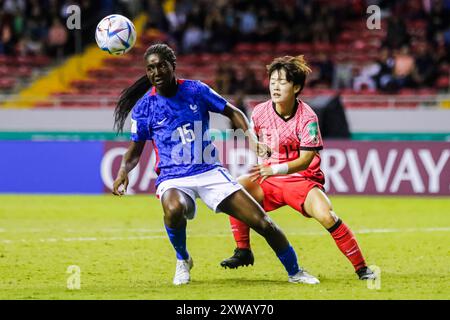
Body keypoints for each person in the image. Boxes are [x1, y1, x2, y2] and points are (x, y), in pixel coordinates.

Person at [111, 43, 319, 285]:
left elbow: (233, 112)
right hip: (173, 177)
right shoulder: (145, 107)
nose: (156, 72)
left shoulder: (195, 90)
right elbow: (134, 151)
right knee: (174, 208)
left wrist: (250, 137)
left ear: (172, 66)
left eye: (161, 66)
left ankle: (295, 272)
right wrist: (123, 171)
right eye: (150, 68)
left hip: (210, 171)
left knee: (263, 222)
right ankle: (182, 259)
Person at [220, 55, 376, 281]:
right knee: (234, 192)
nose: (275, 85)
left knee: (327, 216)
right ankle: (243, 250)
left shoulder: (308, 117)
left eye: (282, 81)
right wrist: (258, 147)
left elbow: (304, 160)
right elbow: (255, 139)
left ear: (297, 87)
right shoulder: (260, 111)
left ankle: (362, 268)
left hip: (302, 179)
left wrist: (274, 169)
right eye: (273, 80)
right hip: (270, 179)